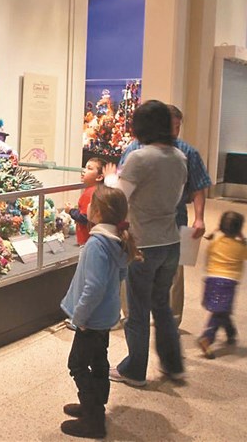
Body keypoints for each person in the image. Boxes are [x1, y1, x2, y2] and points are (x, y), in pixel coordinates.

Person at [103, 100, 187, 387]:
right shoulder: (179, 157)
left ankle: (134, 369)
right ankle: (173, 365)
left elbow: (119, 198)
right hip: (171, 241)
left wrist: (110, 179)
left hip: (143, 244)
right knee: (161, 306)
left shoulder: (139, 158)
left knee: (137, 309)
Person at [60, 185, 141, 439]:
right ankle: (94, 405)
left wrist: (79, 317)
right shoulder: (118, 240)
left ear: (97, 212)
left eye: (90, 205)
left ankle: (93, 419)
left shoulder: (97, 243)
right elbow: (121, 273)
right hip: (104, 316)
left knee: (77, 364)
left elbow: (93, 287)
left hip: (91, 319)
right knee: (98, 361)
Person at [119, 104, 211, 327]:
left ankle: (168, 319)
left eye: (178, 127)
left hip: (170, 221)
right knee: (136, 273)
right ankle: (134, 315)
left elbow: (198, 186)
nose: (174, 131)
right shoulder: (136, 150)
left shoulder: (185, 153)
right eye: (171, 126)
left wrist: (199, 217)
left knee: (173, 274)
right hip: (140, 224)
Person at [197, 211, 247, 359]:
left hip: (211, 280)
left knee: (223, 310)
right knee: (220, 312)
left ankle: (231, 333)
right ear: (239, 229)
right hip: (228, 283)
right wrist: (244, 239)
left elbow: (208, 256)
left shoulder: (214, 243)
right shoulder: (239, 247)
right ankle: (207, 337)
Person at [66, 158, 107, 246]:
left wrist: (70, 210)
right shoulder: (101, 190)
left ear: (99, 177)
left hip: (88, 239)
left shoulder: (90, 193)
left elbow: (84, 218)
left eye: (89, 168)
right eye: (85, 167)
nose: (84, 171)